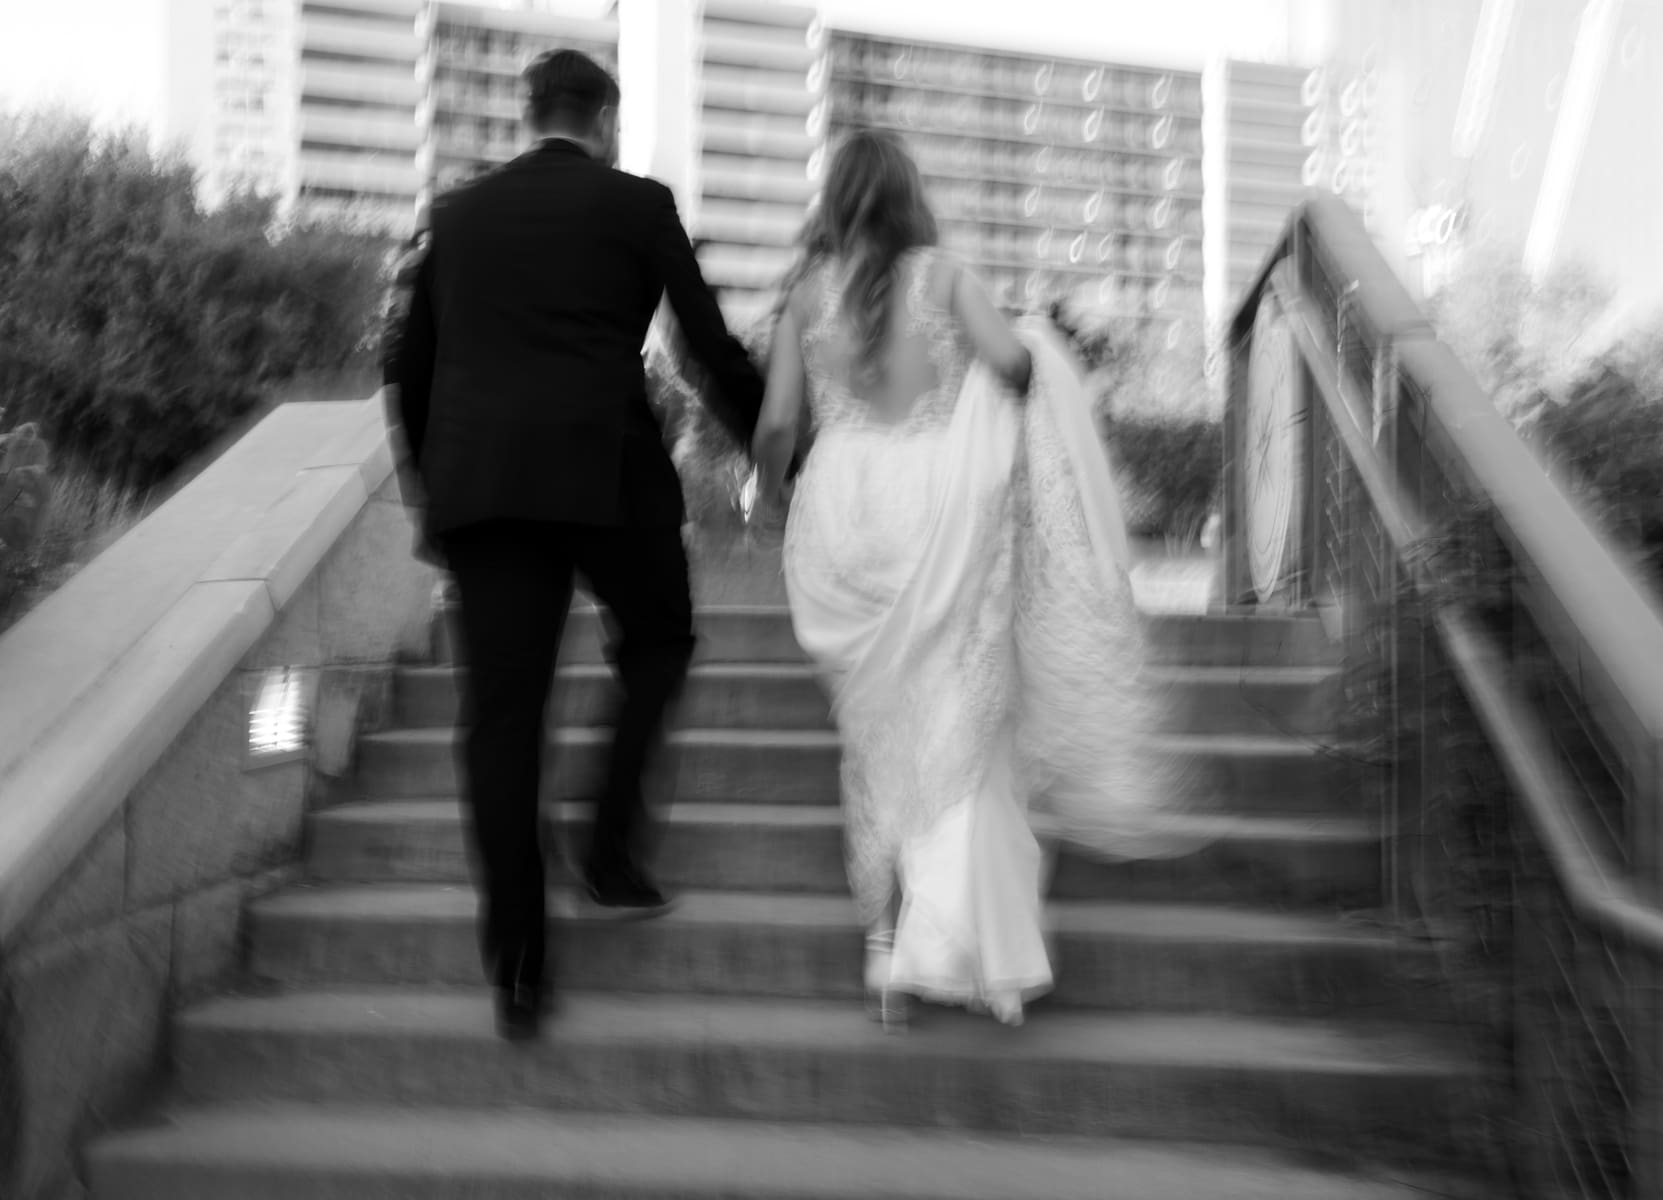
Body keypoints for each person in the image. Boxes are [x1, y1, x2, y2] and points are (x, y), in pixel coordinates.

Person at [751, 129, 1206, 1030]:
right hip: (939, 507)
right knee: (964, 723)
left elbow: (775, 425)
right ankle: (981, 955)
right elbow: (1014, 368)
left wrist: (770, 495)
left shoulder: (805, 296)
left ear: (837, 203)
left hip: (843, 513)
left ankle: (887, 950)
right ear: (909, 195)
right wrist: (1035, 347)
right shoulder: (946, 277)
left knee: (879, 733)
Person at [387, 49, 765, 1043]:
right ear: (601, 118)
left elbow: (408, 365)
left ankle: (518, 970)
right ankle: (607, 852)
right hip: (605, 476)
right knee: (660, 638)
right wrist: (780, 442)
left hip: (488, 494)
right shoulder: (639, 206)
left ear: (532, 115)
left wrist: (431, 491)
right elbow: (706, 345)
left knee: (502, 724)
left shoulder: (457, 216)